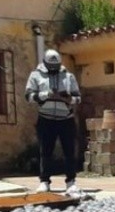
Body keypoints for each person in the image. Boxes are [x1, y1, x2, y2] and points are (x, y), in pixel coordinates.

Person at [25, 49, 82, 194]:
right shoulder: (35, 75)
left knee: (69, 152)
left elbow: (78, 98)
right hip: (45, 119)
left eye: (56, 66)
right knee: (45, 152)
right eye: (51, 66)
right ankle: (44, 182)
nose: (53, 69)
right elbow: (28, 96)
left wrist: (68, 98)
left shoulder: (68, 76)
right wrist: (45, 95)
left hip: (66, 119)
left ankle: (71, 182)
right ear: (45, 63)